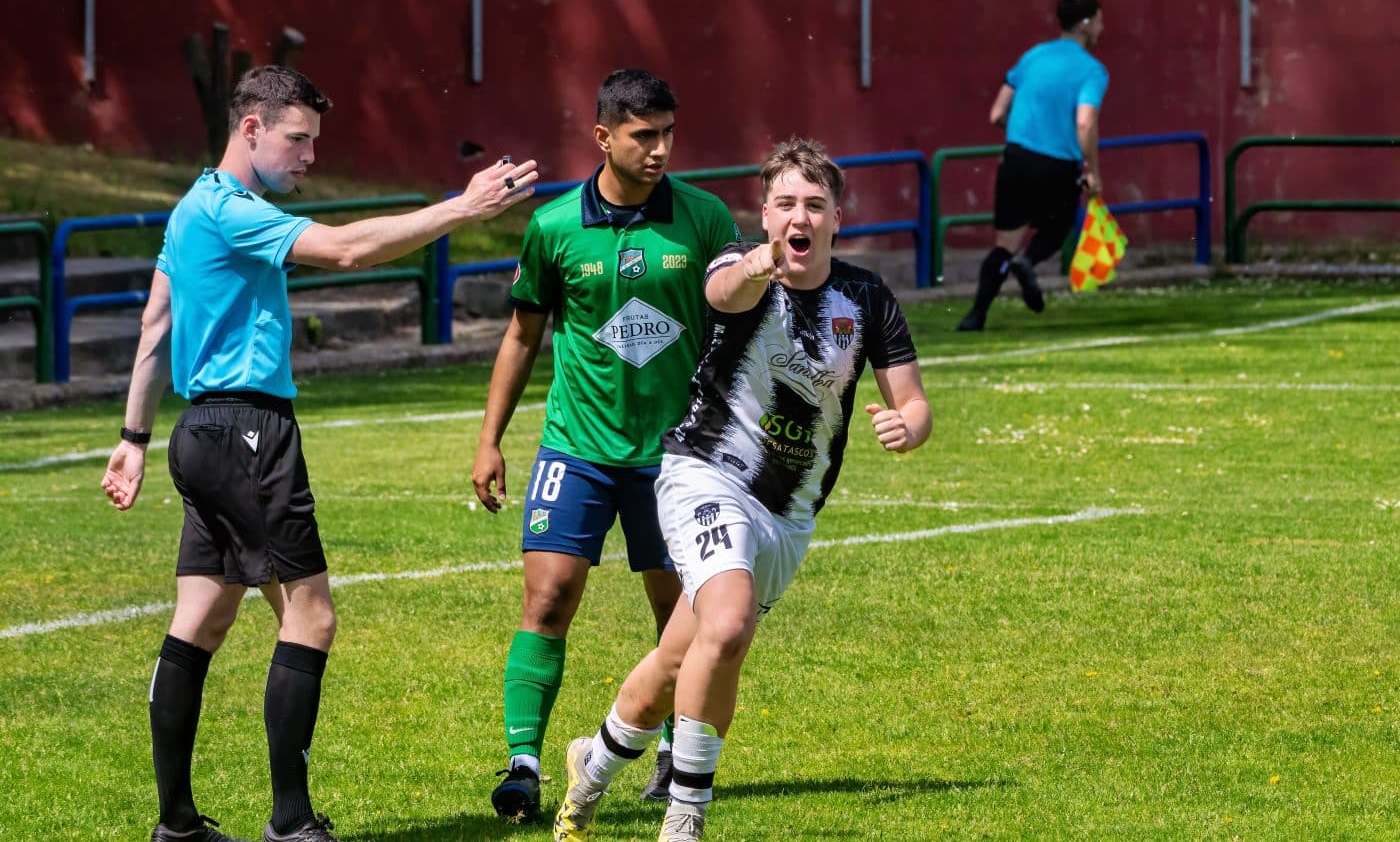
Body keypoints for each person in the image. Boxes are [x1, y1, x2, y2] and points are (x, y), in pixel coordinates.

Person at [101, 65, 538, 842]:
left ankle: (176, 825)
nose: (308, 156)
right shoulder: (234, 211)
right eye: (297, 140)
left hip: (199, 432)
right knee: (312, 617)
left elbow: (154, 323)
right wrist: (462, 207)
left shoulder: (189, 208)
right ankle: (291, 821)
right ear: (251, 130)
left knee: (200, 616)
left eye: (313, 141)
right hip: (248, 433)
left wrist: (134, 439)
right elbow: (342, 250)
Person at [551, 138, 932, 842]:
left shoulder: (866, 297)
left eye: (815, 205)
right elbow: (723, 290)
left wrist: (908, 425)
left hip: (788, 512)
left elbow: (913, 400)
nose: (800, 216)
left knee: (679, 656)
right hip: (705, 471)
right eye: (786, 202)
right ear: (764, 213)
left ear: (837, 218)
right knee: (727, 623)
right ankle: (685, 817)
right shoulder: (740, 264)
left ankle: (591, 766)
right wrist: (760, 261)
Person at [471, 69, 739, 822]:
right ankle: (524, 763)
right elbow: (523, 335)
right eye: (642, 136)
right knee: (548, 597)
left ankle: (670, 752)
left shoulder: (706, 219)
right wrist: (490, 440)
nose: (659, 150)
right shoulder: (555, 227)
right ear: (603, 137)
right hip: (576, 447)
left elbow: (743, 321)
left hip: (678, 458)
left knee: (676, 615)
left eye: (667, 135)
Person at [958, 0, 1109, 331]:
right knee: (1059, 226)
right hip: (1058, 165)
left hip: (1016, 158)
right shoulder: (1092, 70)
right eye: (1099, 20)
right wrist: (1093, 172)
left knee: (1004, 244)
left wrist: (1029, 132)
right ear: (1086, 24)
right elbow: (1085, 123)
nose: (1102, 27)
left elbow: (997, 112)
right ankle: (1029, 261)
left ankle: (976, 315)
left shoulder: (1033, 57)